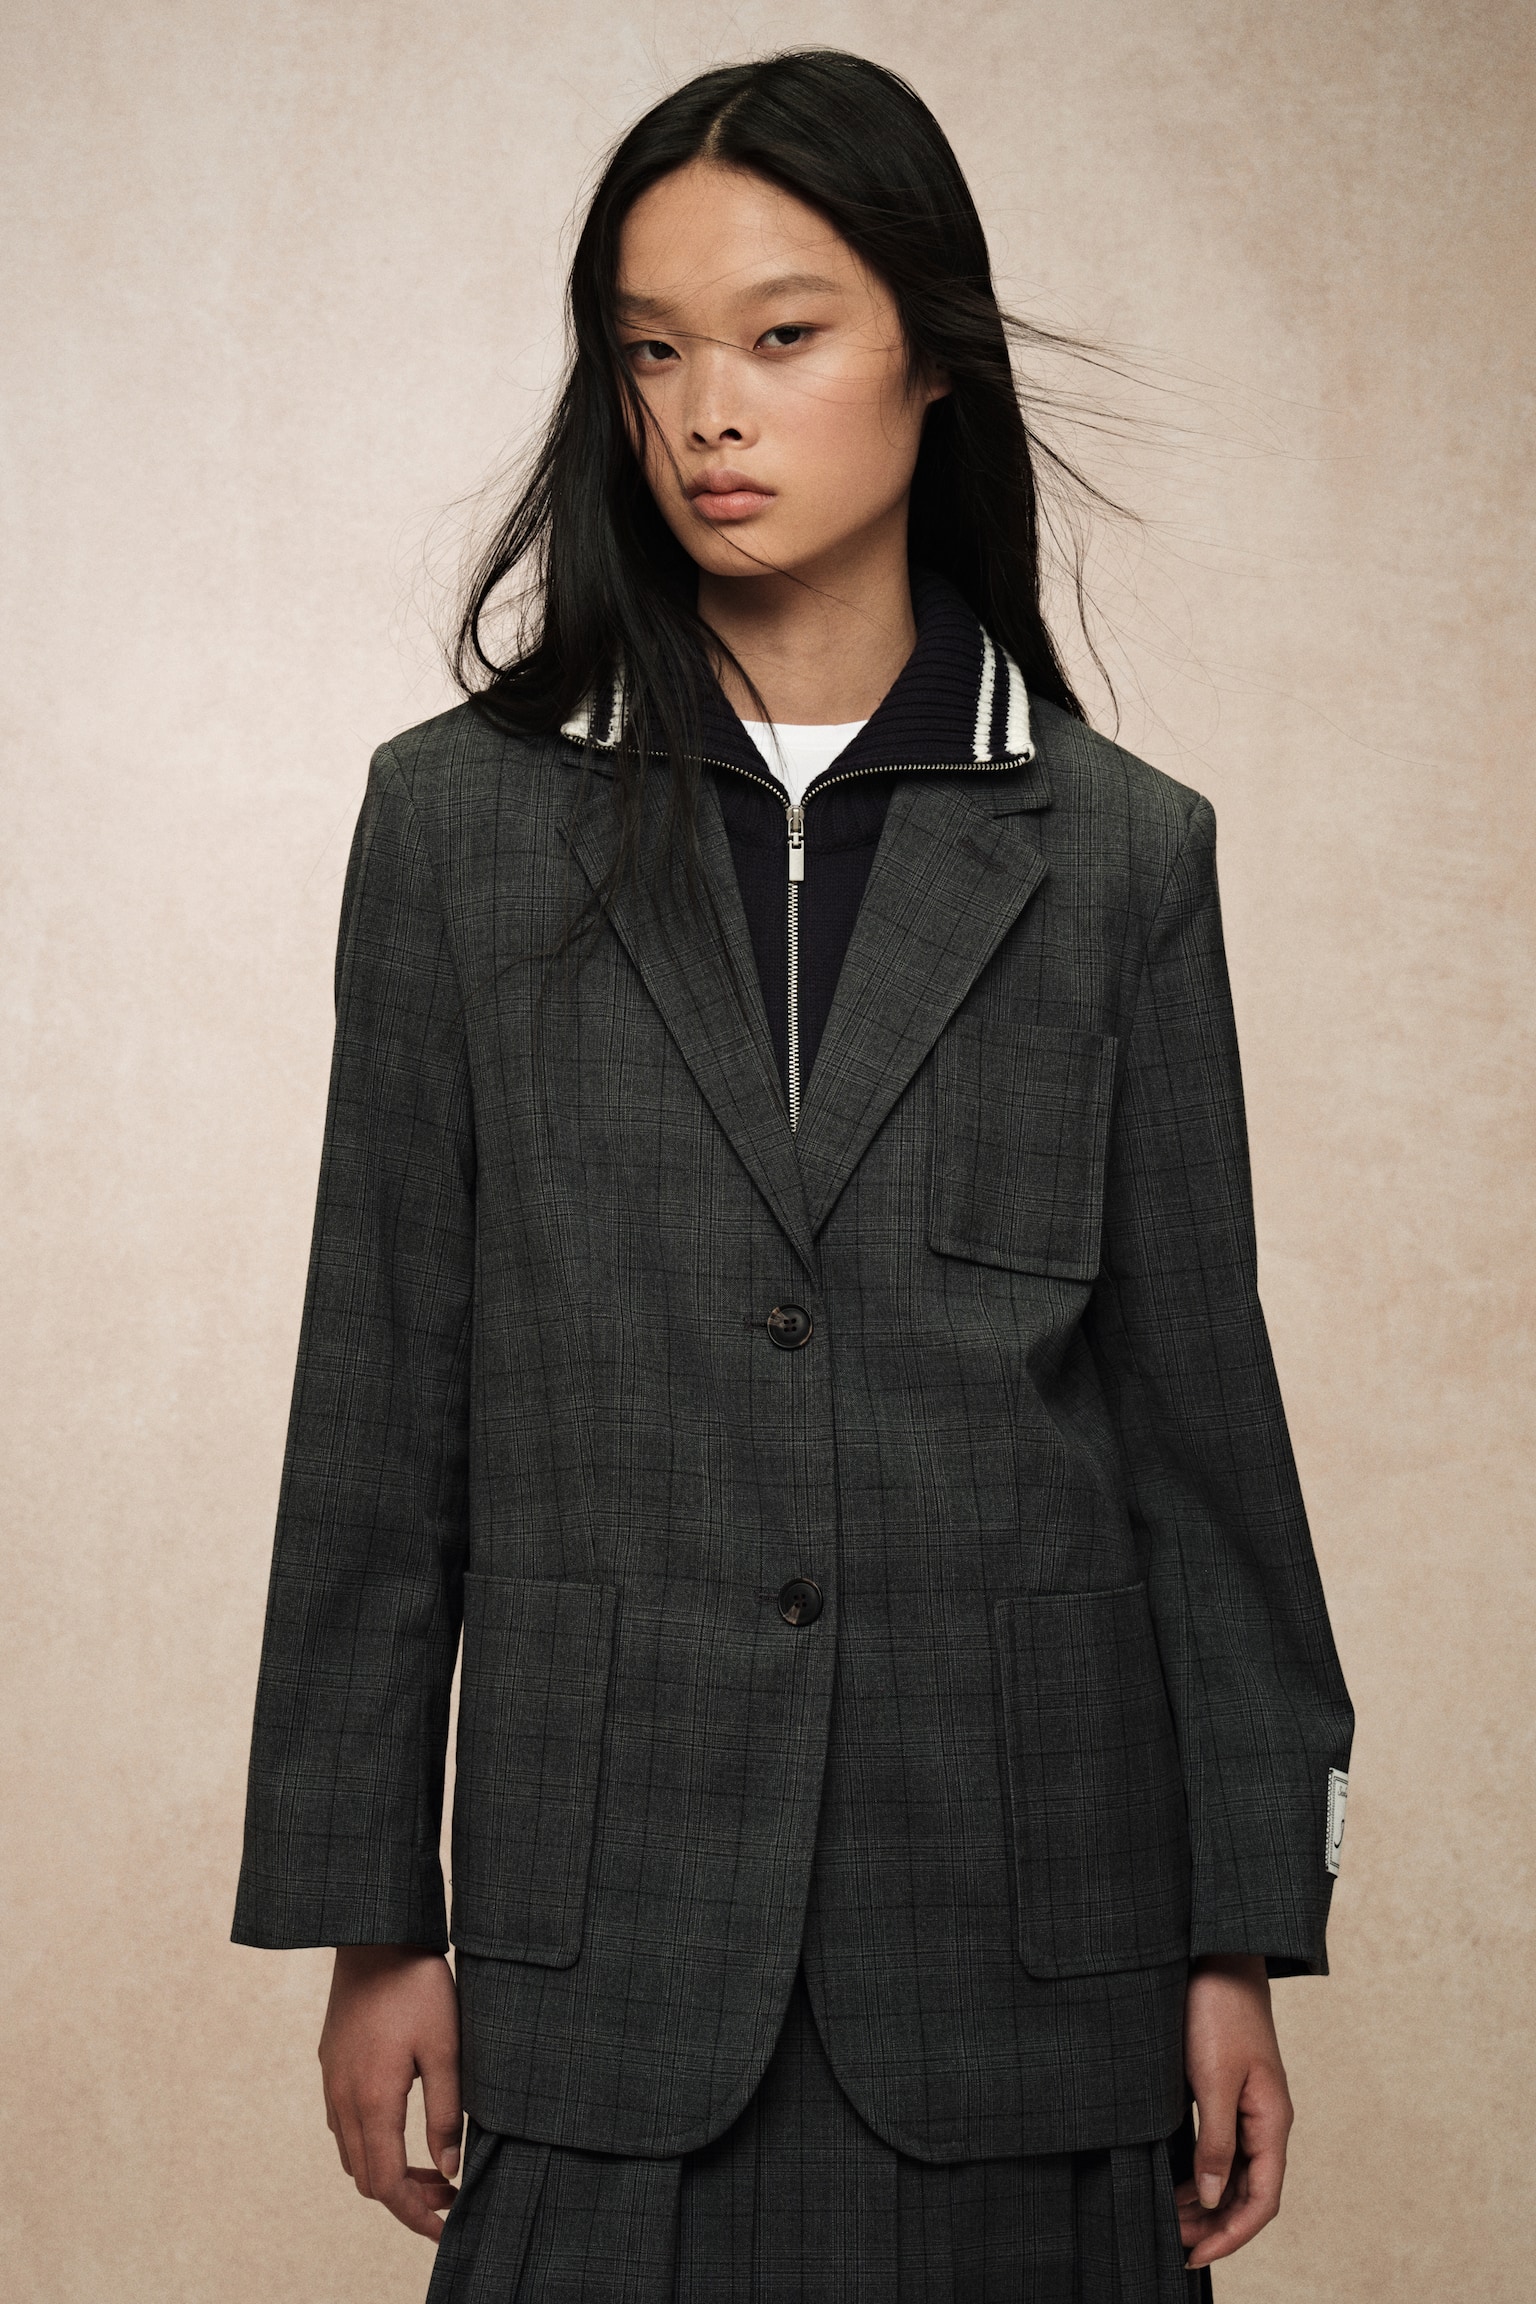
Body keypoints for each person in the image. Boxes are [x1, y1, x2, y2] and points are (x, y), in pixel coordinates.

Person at [233, 48, 1354, 2303]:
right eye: (651, 354)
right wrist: (371, 1918)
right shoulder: (458, 830)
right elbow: (381, 1401)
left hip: (1034, 1954)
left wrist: (1240, 1933)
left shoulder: (1120, 857)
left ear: (933, 356)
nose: (706, 415)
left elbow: (1199, 1438)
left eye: (780, 335)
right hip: (604, 1949)